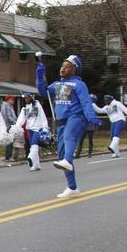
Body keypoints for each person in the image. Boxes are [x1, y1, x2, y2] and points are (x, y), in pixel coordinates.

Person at [36, 54, 101, 198]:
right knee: (61, 154)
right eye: (62, 66)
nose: (63, 68)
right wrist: (40, 78)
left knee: (69, 137)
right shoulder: (57, 84)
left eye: (67, 66)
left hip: (77, 118)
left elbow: (85, 102)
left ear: (74, 69)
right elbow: (43, 92)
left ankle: (68, 160)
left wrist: (92, 118)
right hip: (62, 121)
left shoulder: (79, 84)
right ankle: (72, 187)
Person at [92, 94, 127, 158]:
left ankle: (111, 147)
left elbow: (125, 110)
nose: (105, 102)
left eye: (107, 100)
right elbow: (99, 110)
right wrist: (93, 104)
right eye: (105, 100)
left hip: (120, 120)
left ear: (111, 100)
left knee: (116, 134)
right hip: (113, 122)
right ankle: (116, 153)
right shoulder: (106, 107)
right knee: (112, 137)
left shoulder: (117, 103)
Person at [14, 93, 49, 170]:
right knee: (32, 146)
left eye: (27, 98)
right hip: (29, 129)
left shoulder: (37, 105)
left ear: (32, 98)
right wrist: (16, 128)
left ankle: (30, 157)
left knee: (34, 144)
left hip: (38, 128)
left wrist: (45, 128)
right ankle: (36, 165)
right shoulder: (25, 108)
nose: (26, 99)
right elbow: (21, 119)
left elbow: (43, 116)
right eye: (25, 98)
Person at [1, 96, 18, 161]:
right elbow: (8, 117)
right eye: (12, 99)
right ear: (9, 99)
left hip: (11, 126)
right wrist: (15, 122)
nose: (13, 101)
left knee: (10, 141)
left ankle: (9, 156)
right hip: (9, 126)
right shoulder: (6, 106)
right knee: (9, 142)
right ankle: (8, 156)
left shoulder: (9, 106)